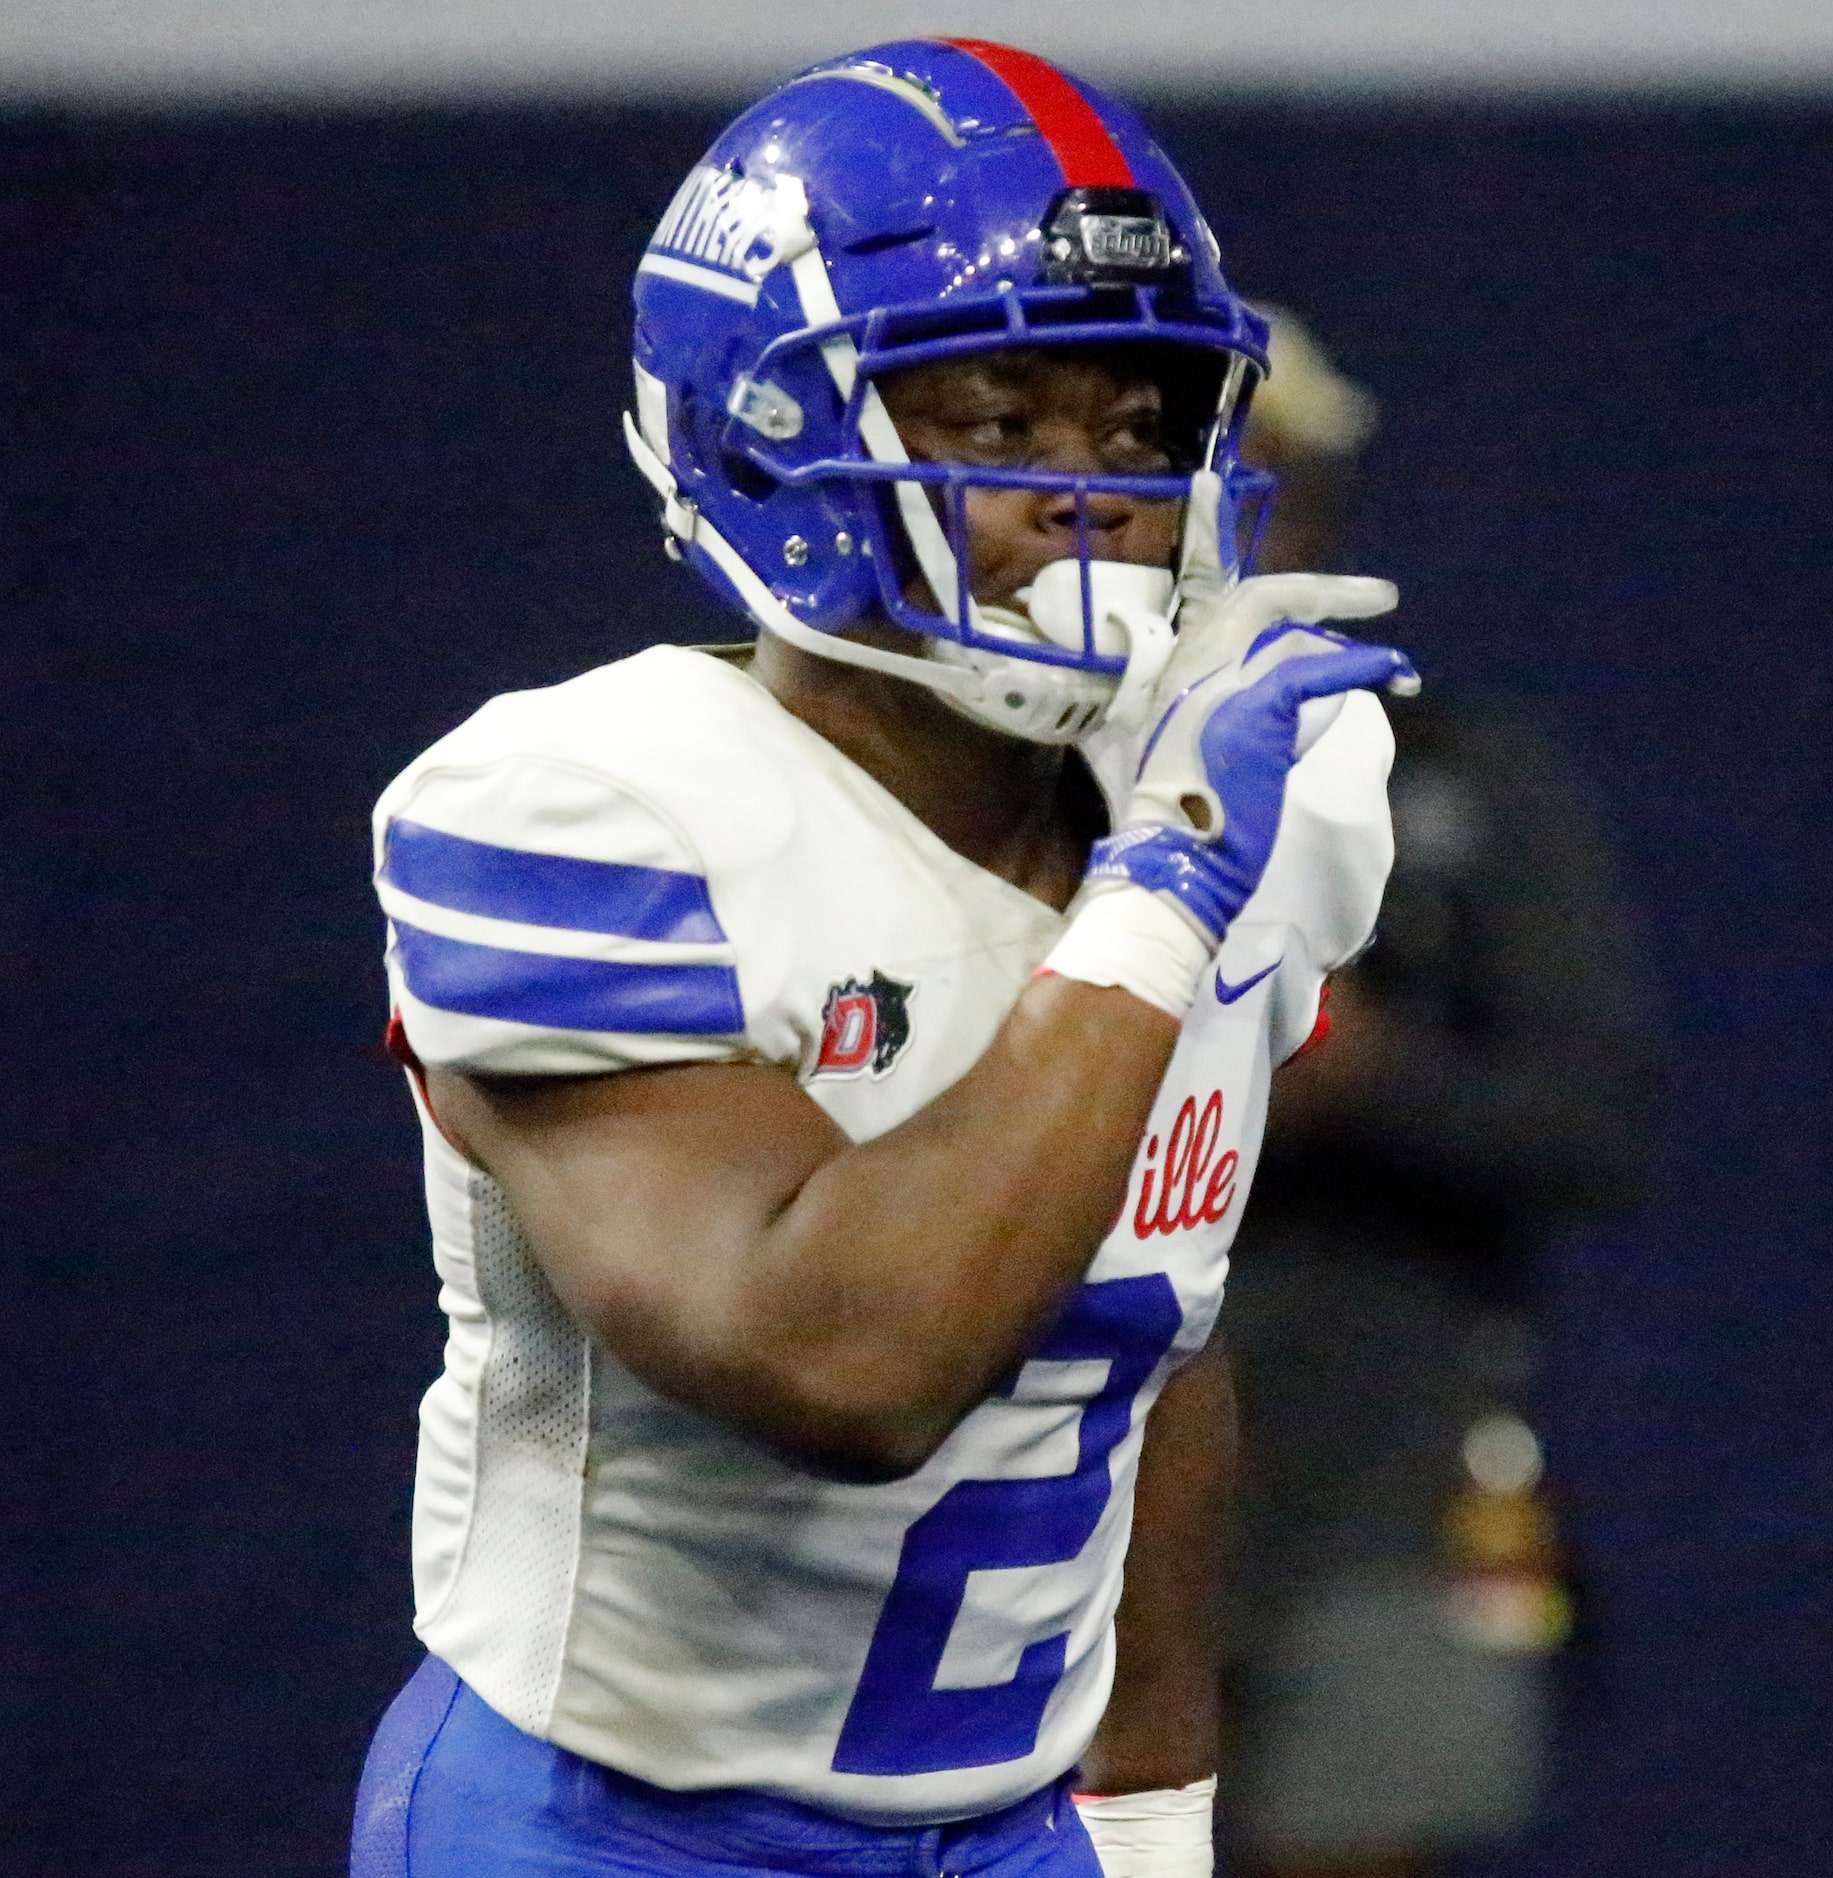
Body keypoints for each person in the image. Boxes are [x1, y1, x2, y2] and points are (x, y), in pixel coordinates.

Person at [349, 40, 1419, 1878]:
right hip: (613, 1827)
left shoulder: (1264, 790)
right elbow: (851, 1365)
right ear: (764, 429)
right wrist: (1160, 889)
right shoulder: (580, 809)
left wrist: (1153, 1819)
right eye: (995, 424)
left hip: (1006, 1826)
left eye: (1138, 425)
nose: (1089, 492)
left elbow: (1154, 1338)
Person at [1212, 311, 1655, 1878]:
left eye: (1271, 476)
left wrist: (1354, 1067)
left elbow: (1588, 1120)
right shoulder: (998, 790)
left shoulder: (1462, 779)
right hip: (1050, 1510)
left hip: (1384, 1487)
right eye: (1191, 475)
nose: (1232, 521)